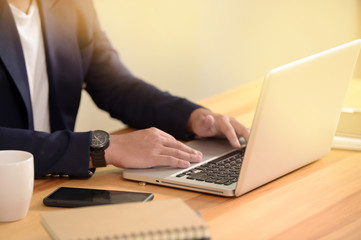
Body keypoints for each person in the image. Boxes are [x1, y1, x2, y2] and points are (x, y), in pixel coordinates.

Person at [0, 0, 249, 178]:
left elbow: (116, 85)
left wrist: (195, 118)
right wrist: (103, 148)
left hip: (49, 185)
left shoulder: (71, 5)